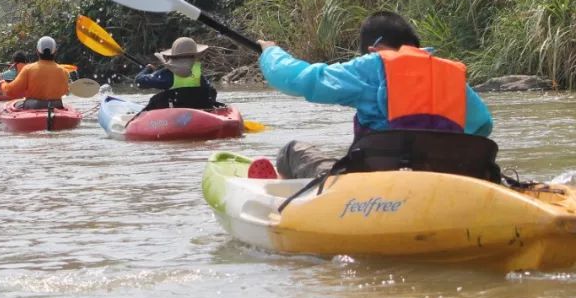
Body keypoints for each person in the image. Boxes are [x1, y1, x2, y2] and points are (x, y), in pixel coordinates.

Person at [256, 11, 493, 179]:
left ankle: (296, 205)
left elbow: (298, 79)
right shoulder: (449, 74)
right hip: (445, 180)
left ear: (373, 49)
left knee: (291, 151)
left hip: (376, 186)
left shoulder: (372, 65)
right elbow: (482, 125)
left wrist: (270, 52)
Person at [135, 36, 219, 111]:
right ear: (195, 56)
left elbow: (139, 82)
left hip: (174, 116)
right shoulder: (198, 74)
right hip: (198, 112)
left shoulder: (166, 74)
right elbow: (211, 92)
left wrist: (148, 69)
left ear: (172, 56)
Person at [0, 37, 69, 109]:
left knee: (14, 104)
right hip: (56, 105)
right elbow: (65, 92)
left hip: (34, 106)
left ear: (37, 51)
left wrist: (2, 83)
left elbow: (10, 91)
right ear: (55, 52)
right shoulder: (63, 71)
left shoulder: (28, 69)